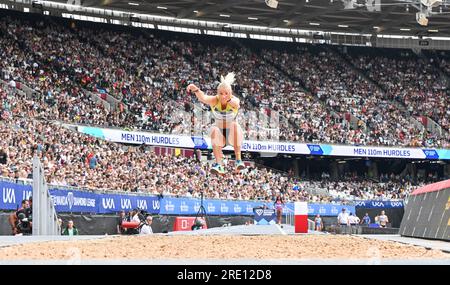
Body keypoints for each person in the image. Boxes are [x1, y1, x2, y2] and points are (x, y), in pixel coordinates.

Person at [187, 73, 245, 175]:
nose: (223, 96)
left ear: (230, 93)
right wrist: (195, 89)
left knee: (235, 125)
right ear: (218, 93)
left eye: (226, 93)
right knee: (213, 128)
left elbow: (236, 104)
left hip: (232, 135)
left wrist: (228, 99)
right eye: (221, 93)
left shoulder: (234, 100)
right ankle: (219, 165)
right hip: (219, 136)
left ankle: (238, 160)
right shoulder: (214, 100)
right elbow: (203, 98)